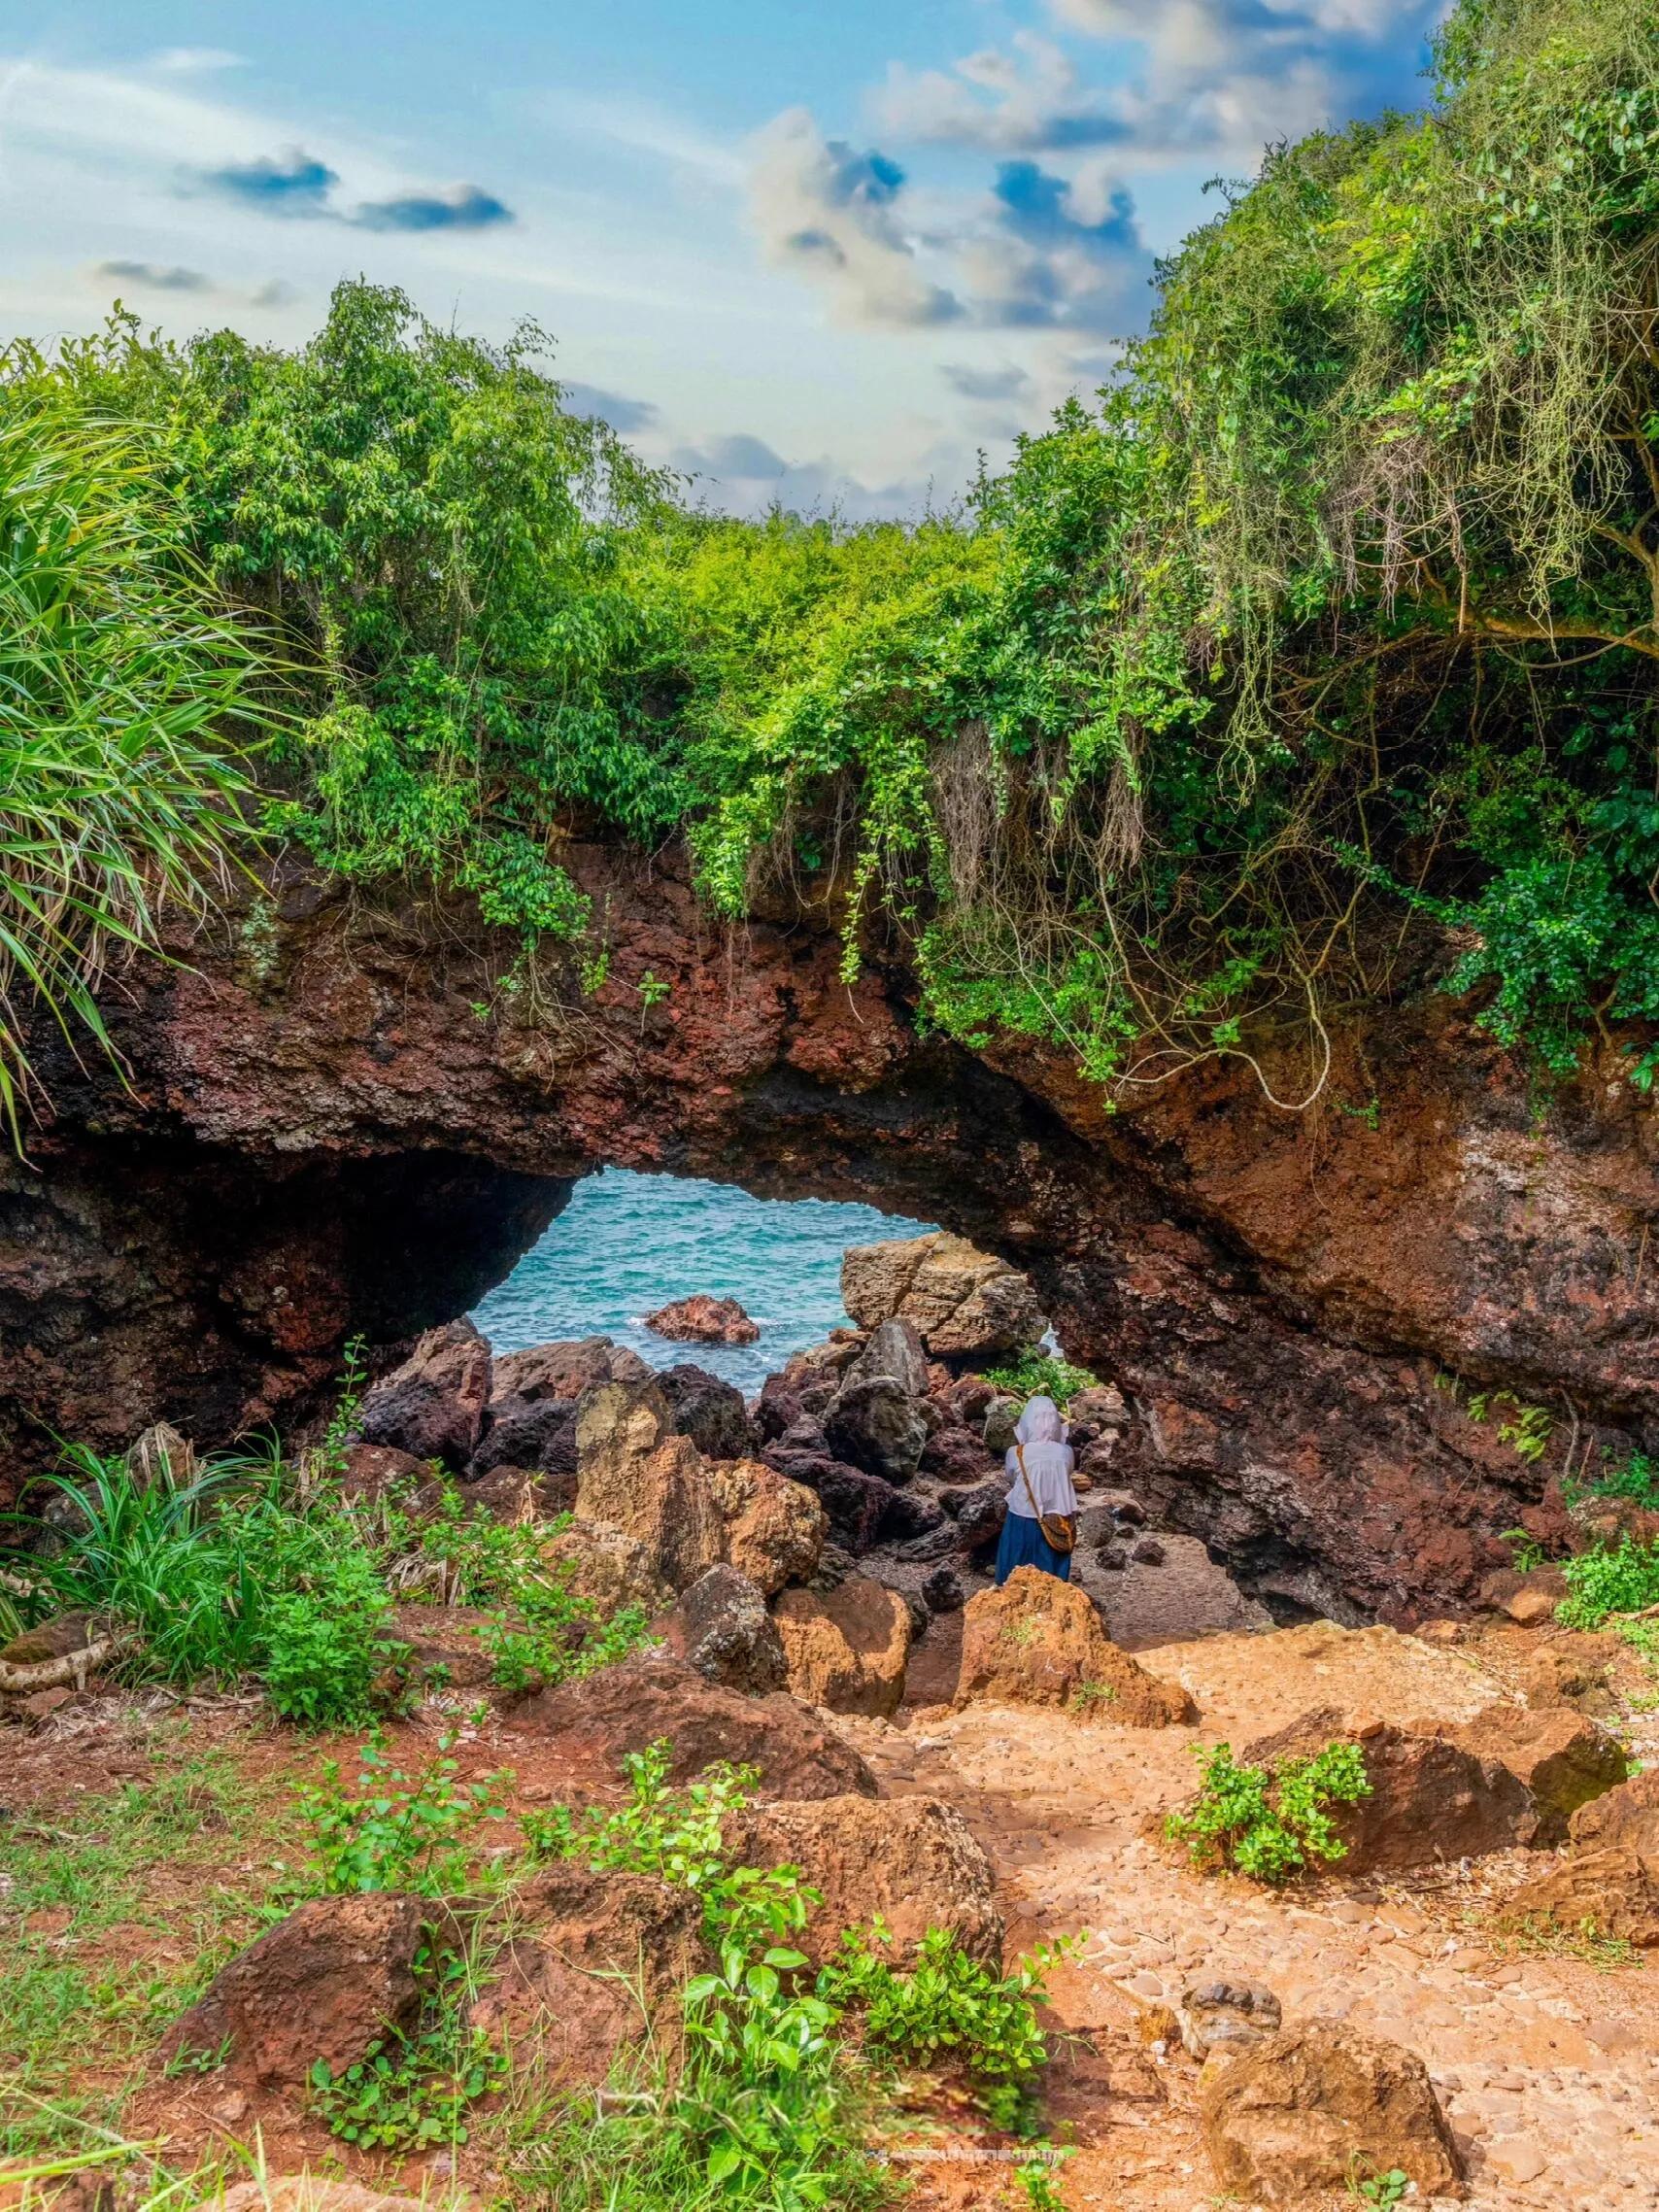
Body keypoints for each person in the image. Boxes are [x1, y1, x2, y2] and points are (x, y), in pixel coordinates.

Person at [994, 1394, 1078, 1586]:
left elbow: (1011, 1477)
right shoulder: (1066, 1452)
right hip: (1058, 1516)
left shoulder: (1016, 1452)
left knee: (1015, 1563)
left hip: (1022, 1513)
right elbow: (1068, 1472)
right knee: (1052, 1565)